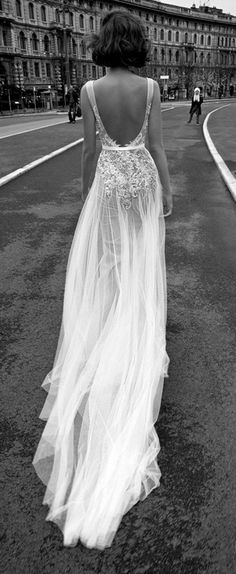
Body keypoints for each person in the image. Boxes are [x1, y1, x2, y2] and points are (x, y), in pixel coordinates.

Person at [33, 9, 173, 550]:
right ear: (136, 42)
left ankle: (106, 340)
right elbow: (156, 146)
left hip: (108, 188)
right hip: (140, 185)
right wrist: (167, 189)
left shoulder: (90, 89)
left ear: (102, 44)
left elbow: (90, 151)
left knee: (109, 271)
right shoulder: (152, 87)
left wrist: (87, 196)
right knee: (142, 269)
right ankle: (134, 343)